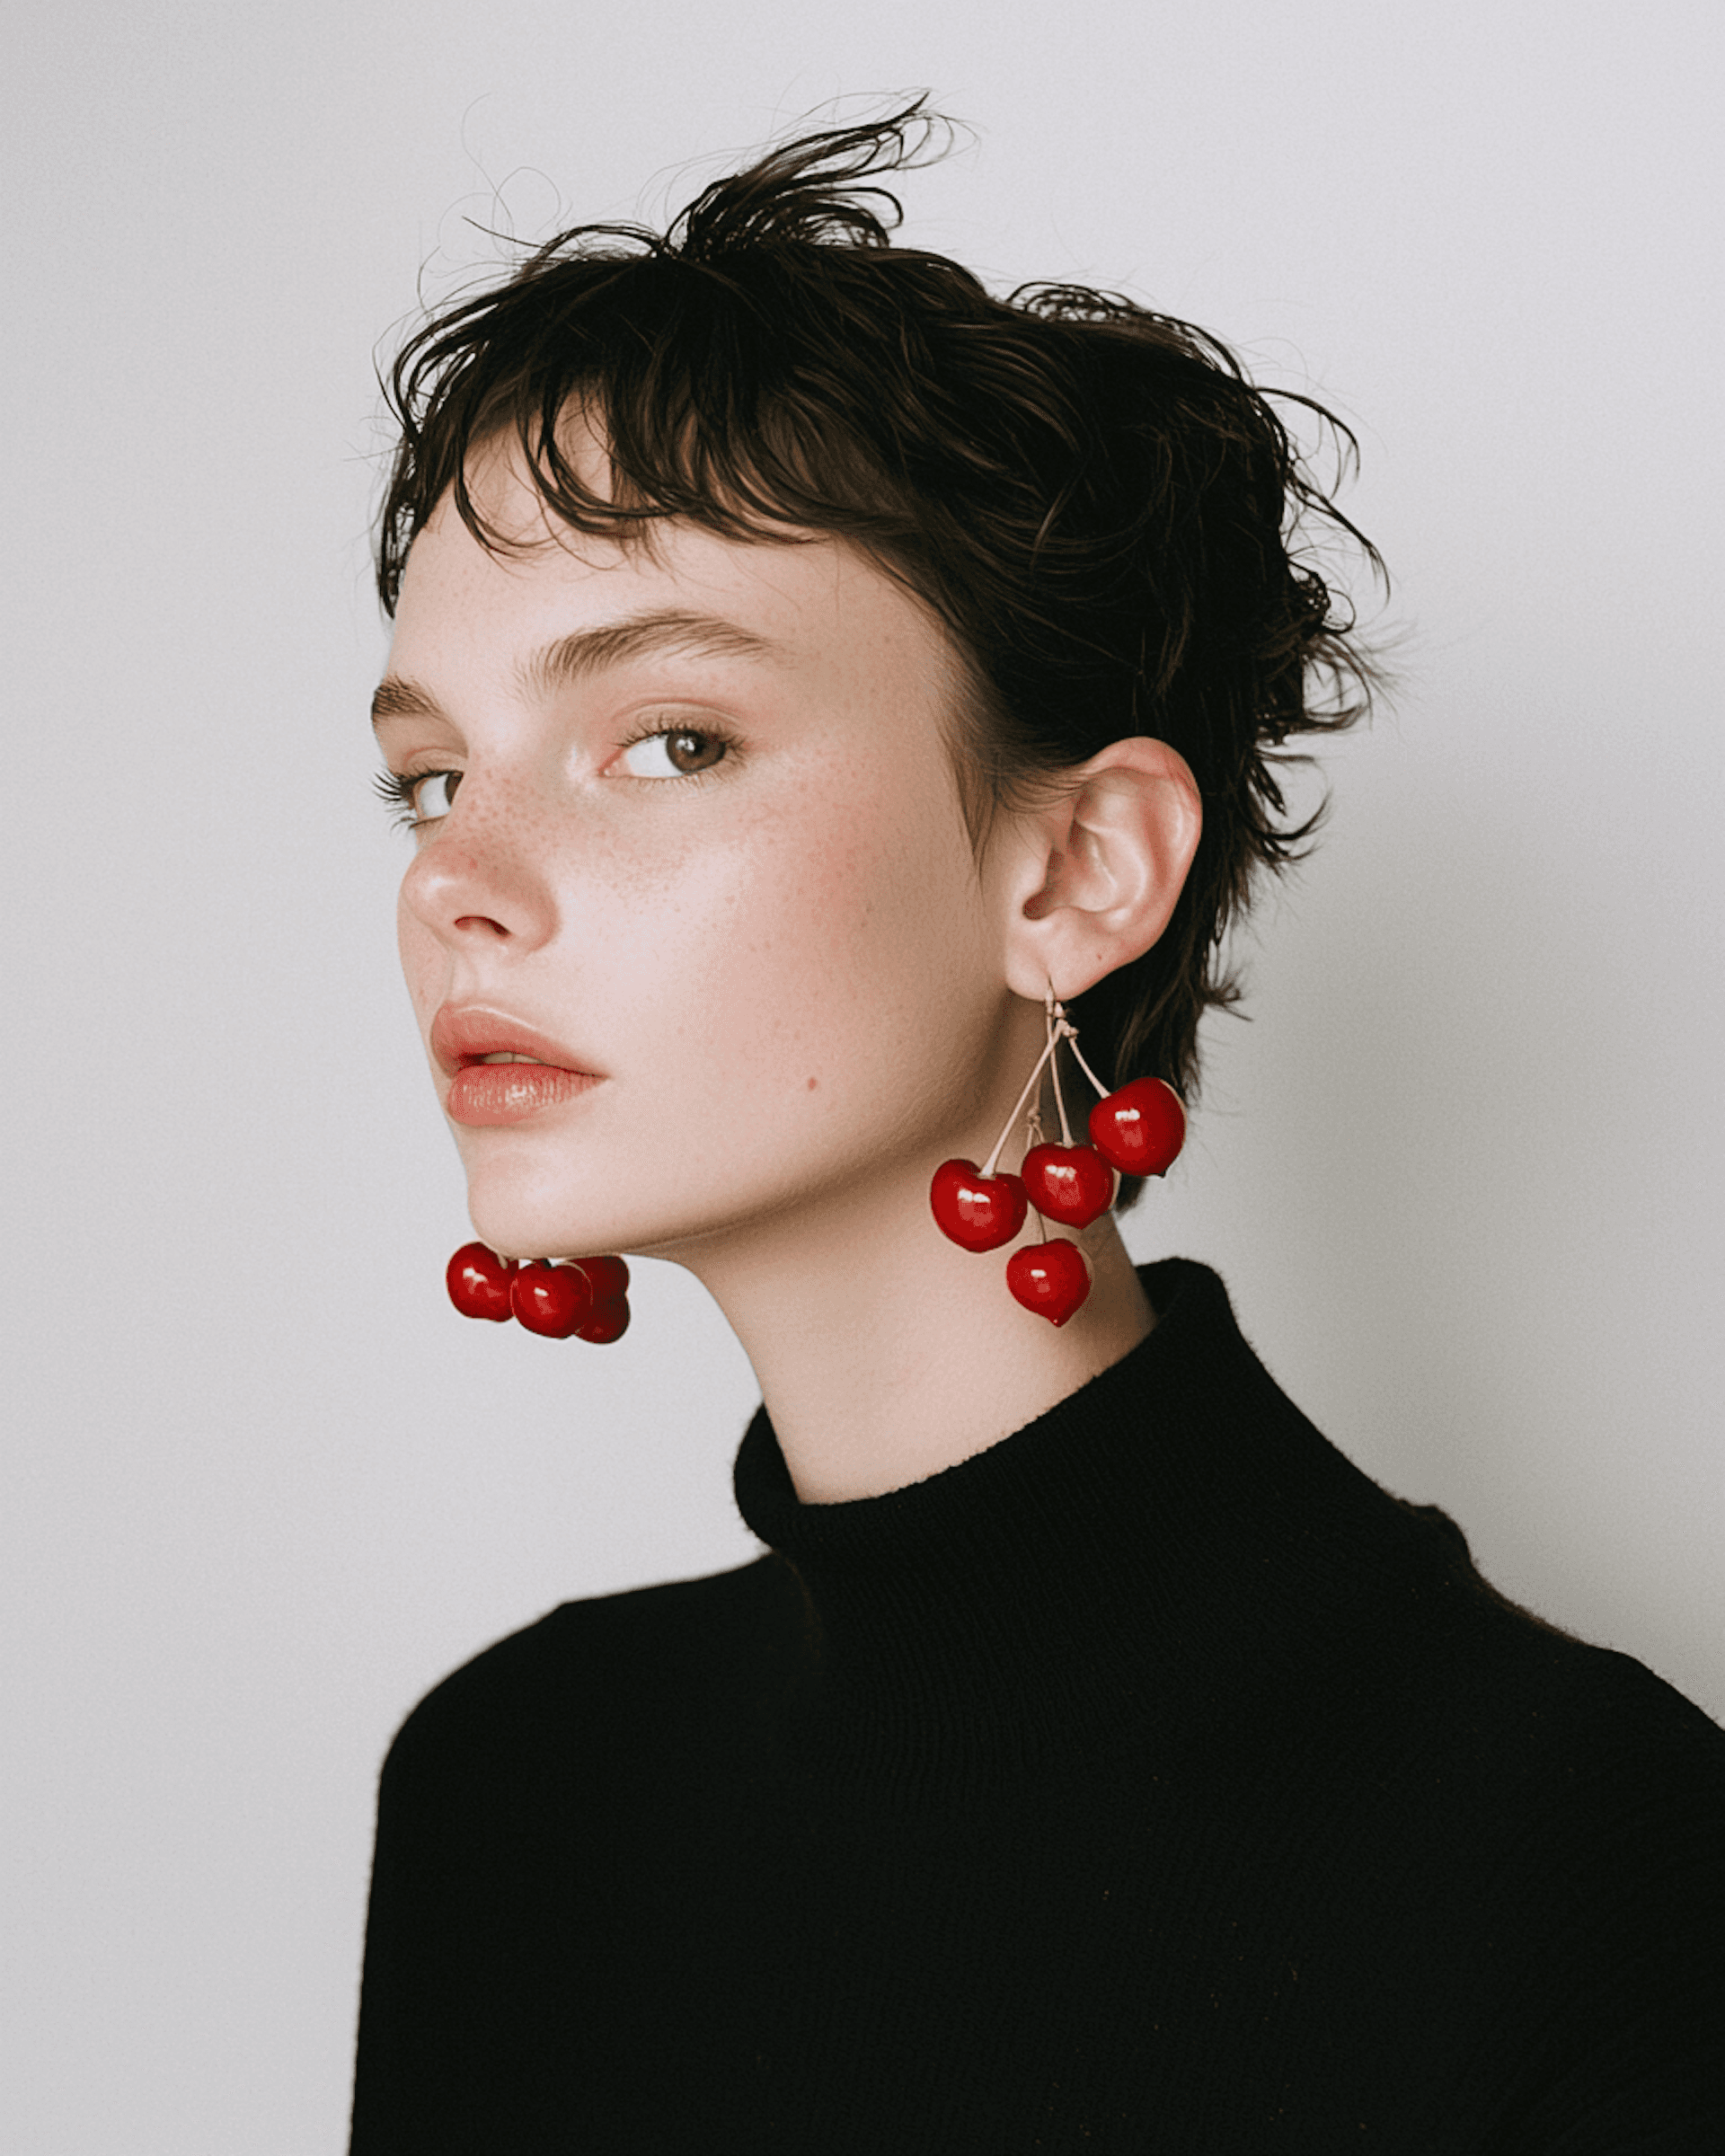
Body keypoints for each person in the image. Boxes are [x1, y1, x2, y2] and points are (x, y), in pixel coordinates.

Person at [349, 107, 1723, 2152]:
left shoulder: (1586, 1864)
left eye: (669, 738)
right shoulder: (516, 1782)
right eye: (431, 776)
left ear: (1078, 870)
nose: (463, 875)